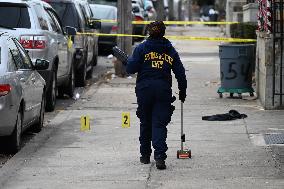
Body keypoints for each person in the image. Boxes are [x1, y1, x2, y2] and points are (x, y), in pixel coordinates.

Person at [126, 21, 187, 170]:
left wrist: (128, 61)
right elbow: (180, 73)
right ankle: (160, 157)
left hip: (144, 90)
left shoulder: (141, 48)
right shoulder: (170, 50)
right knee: (159, 123)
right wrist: (182, 91)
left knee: (145, 122)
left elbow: (131, 69)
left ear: (148, 32)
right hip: (162, 90)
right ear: (164, 32)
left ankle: (145, 156)